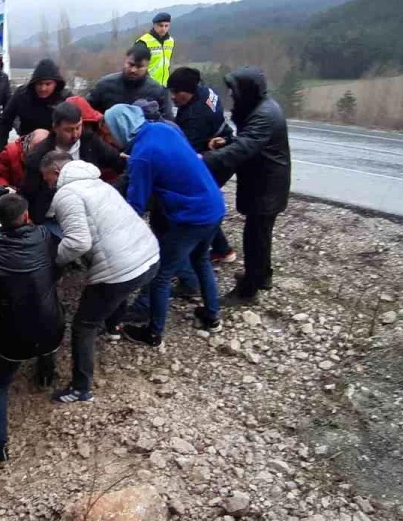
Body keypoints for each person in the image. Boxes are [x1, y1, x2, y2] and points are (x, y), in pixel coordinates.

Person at [42, 152, 160, 404]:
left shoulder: (67, 194)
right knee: (119, 292)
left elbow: (78, 242)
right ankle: (114, 327)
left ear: (54, 172)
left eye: (47, 179)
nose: (48, 185)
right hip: (149, 254)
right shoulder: (97, 182)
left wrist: (50, 260)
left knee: (83, 325)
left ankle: (80, 388)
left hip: (121, 267)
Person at [106, 103, 225, 347]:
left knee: (161, 275)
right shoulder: (163, 129)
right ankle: (212, 317)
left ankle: (153, 333)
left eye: (110, 130)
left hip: (191, 217)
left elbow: (136, 205)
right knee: (200, 259)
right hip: (214, 205)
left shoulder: (142, 155)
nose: (110, 136)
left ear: (121, 128)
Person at [0, 194, 64, 463]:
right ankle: (46, 374)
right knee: (45, 316)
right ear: (26, 216)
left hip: (14, 335)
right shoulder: (43, 235)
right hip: (54, 327)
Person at [202, 66, 291, 305]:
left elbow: (246, 147)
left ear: (248, 90)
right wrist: (228, 140)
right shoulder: (261, 107)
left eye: (234, 90)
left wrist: (203, 159)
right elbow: (246, 140)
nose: (231, 95)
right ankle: (262, 276)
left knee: (255, 238)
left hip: (267, 185)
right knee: (261, 235)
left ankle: (248, 291)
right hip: (264, 181)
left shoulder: (265, 115)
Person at [168, 67, 236, 263]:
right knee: (206, 201)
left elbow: (184, 151)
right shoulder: (205, 91)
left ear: (188, 91)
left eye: (175, 92)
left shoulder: (195, 116)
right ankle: (222, 249)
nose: (172, 97)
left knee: (201, 202)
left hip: (216, 159)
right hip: (223, 147)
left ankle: (214, 251)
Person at [21, 101, 124, 224]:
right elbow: (28, 191)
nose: (75, 134)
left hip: (90, 211)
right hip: (53, 217)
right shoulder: (39, 155)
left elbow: (119, 164)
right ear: (55, 127)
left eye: (78, 127)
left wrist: (112, 190)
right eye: (68, 130)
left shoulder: (90, 141)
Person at [86, 44, 174, 120]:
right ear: (125, 61)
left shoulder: (158, 91)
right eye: (130, 64)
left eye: (139, 66)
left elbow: (167, 121)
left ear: (147, 66)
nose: (133, 70)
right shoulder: (104, 85)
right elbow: (86, 110)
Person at [0, 58, 69, 143]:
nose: (43, 88)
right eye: (39, 84)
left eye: (48, 84)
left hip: (55, 146)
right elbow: (5, 121)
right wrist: (0, 149)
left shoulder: (65, 98)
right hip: (27, 143)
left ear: (56, 83)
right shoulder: (22, 95)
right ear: (34, 83)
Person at [135, 12, 175, 86]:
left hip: (164, 86)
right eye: (161, 25)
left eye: (166, 26)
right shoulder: (144, 41)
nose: (163, 28)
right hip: (146, 86)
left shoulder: (170, 41)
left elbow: (167, 64)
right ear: (154, 25)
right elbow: (137, 66)